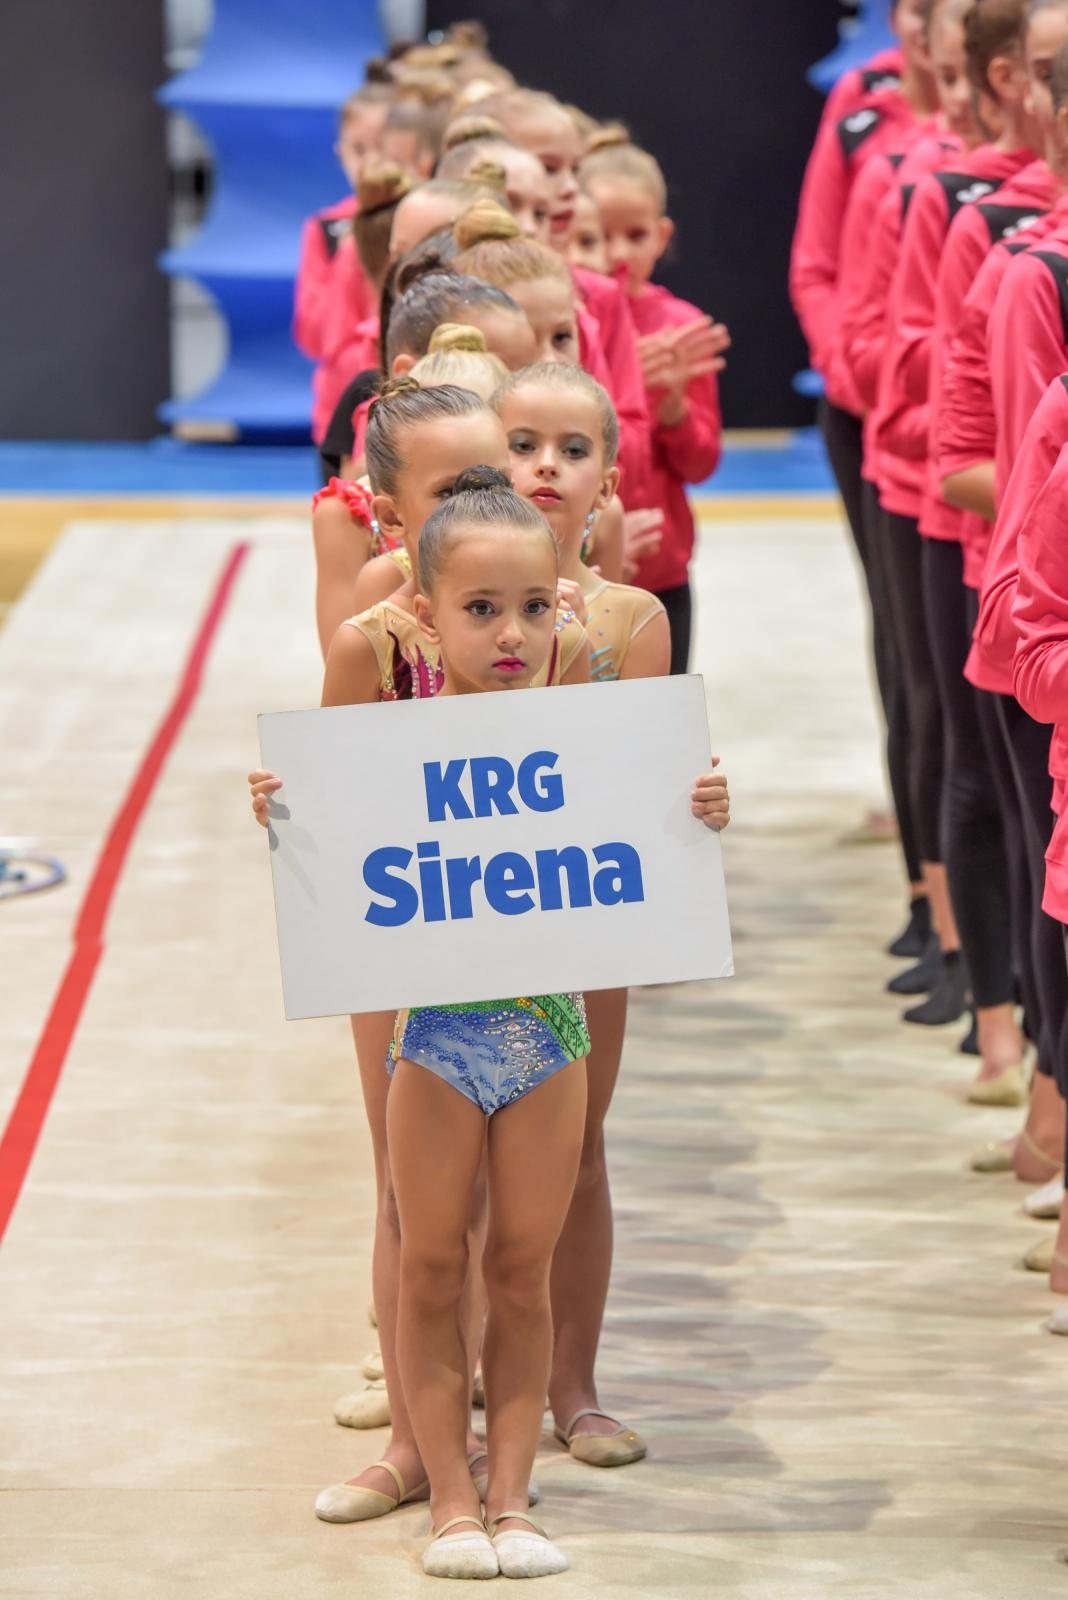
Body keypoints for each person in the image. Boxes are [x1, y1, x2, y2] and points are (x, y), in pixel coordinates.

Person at [249, 383, 588, 1529]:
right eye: (460, 489)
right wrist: (287, 805)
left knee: (528, 1221)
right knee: (415, 1205)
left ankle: (527, 1438)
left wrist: (686, 801)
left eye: (500, 475)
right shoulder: (372, 643)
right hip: (411, 967)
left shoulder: (565, 635)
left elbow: (623, 794)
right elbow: (338, 806)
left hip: (544, 972)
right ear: (395, 519)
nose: (502, 493)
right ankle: (415, 1445)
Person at [386, 468, 728, 1579]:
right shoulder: (399, 729)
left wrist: (699, 805)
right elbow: (341, 844)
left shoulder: (594, 721)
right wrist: (282, 804)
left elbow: (648, 833)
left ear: (565, 606)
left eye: (535, 606)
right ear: (425, 613)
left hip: (551, 1035)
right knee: (435, 1264)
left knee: (522, 1271)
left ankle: (517, 1494)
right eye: (480, 610)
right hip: (433, 1037)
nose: (512, 632)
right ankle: (448, 1495)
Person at [493, 360, 729, 1463]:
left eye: (571, 449)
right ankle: (442, 1395)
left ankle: (571, 1385)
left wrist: (695, 800)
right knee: (446, 1166)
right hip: (463, 913)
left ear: (609, 473)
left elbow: (637, 780)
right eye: (523, 443)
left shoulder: (634, 619)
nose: (546, 466)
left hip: (582, 912)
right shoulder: (416, 595)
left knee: (577, 1144)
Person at [581, 138, 724, 673]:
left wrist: (673, 414)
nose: (619, 253)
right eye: (601, 236)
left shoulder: (681, 328)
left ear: (662, 236)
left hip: (663, 570)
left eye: (636, 235)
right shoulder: (569, 323)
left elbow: (702, 462)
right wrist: (622, 380)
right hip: (586, 568)